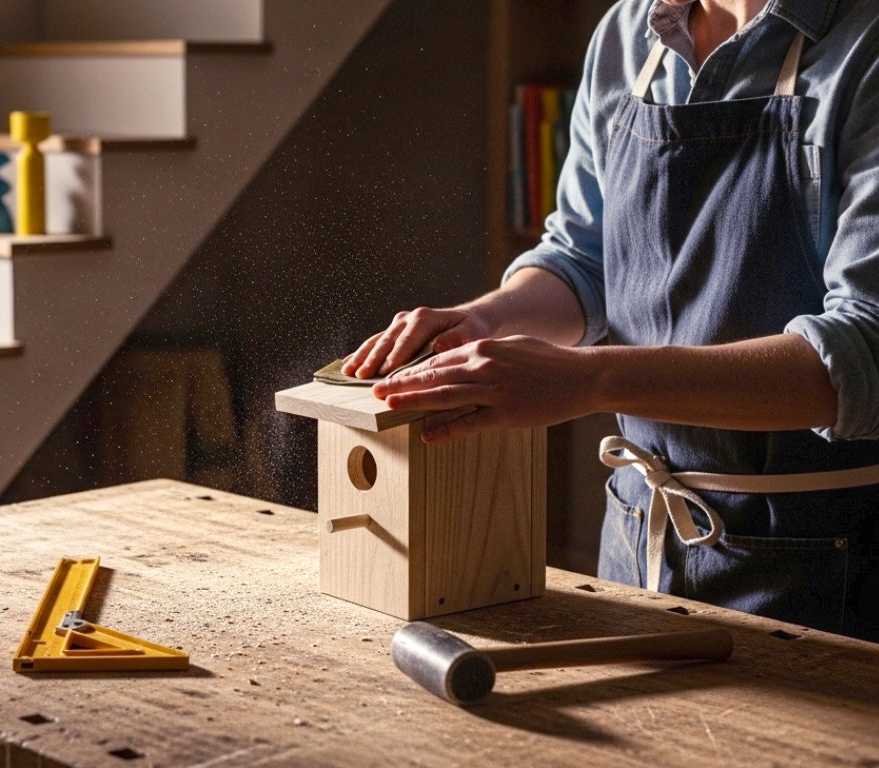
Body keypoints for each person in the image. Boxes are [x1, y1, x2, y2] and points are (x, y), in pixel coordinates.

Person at [341, 0, 879, 641]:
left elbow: (862, 352)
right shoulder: (629, 33)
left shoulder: (862, 45)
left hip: (821, 566)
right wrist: (481, 320)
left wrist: (590, 380)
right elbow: (584, 259)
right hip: (636, 543)